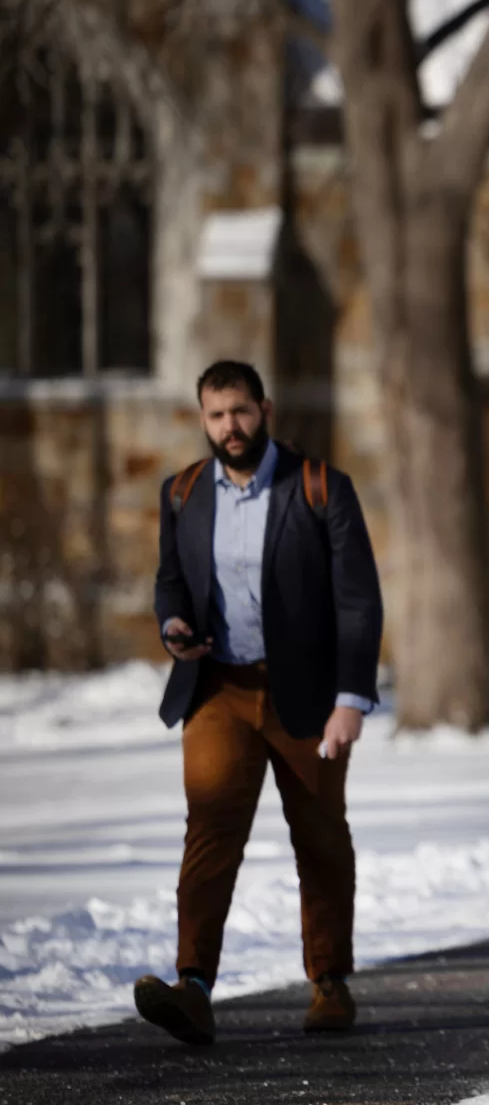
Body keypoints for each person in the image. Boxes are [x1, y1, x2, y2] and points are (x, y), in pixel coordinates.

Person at [132, 360, 383, 1045]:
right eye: (216, 414)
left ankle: (329, 983)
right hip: (217, 686)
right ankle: (194, 987)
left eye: (240, 411)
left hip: (306, 695)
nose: (229, 426)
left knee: (320, 836)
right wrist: (174, 625)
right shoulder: (183, 491)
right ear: (203, 417)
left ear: (264, 409)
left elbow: (358, 601)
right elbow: (170, 581)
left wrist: (351, 697)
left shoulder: (318, 487)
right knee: (210, 830)